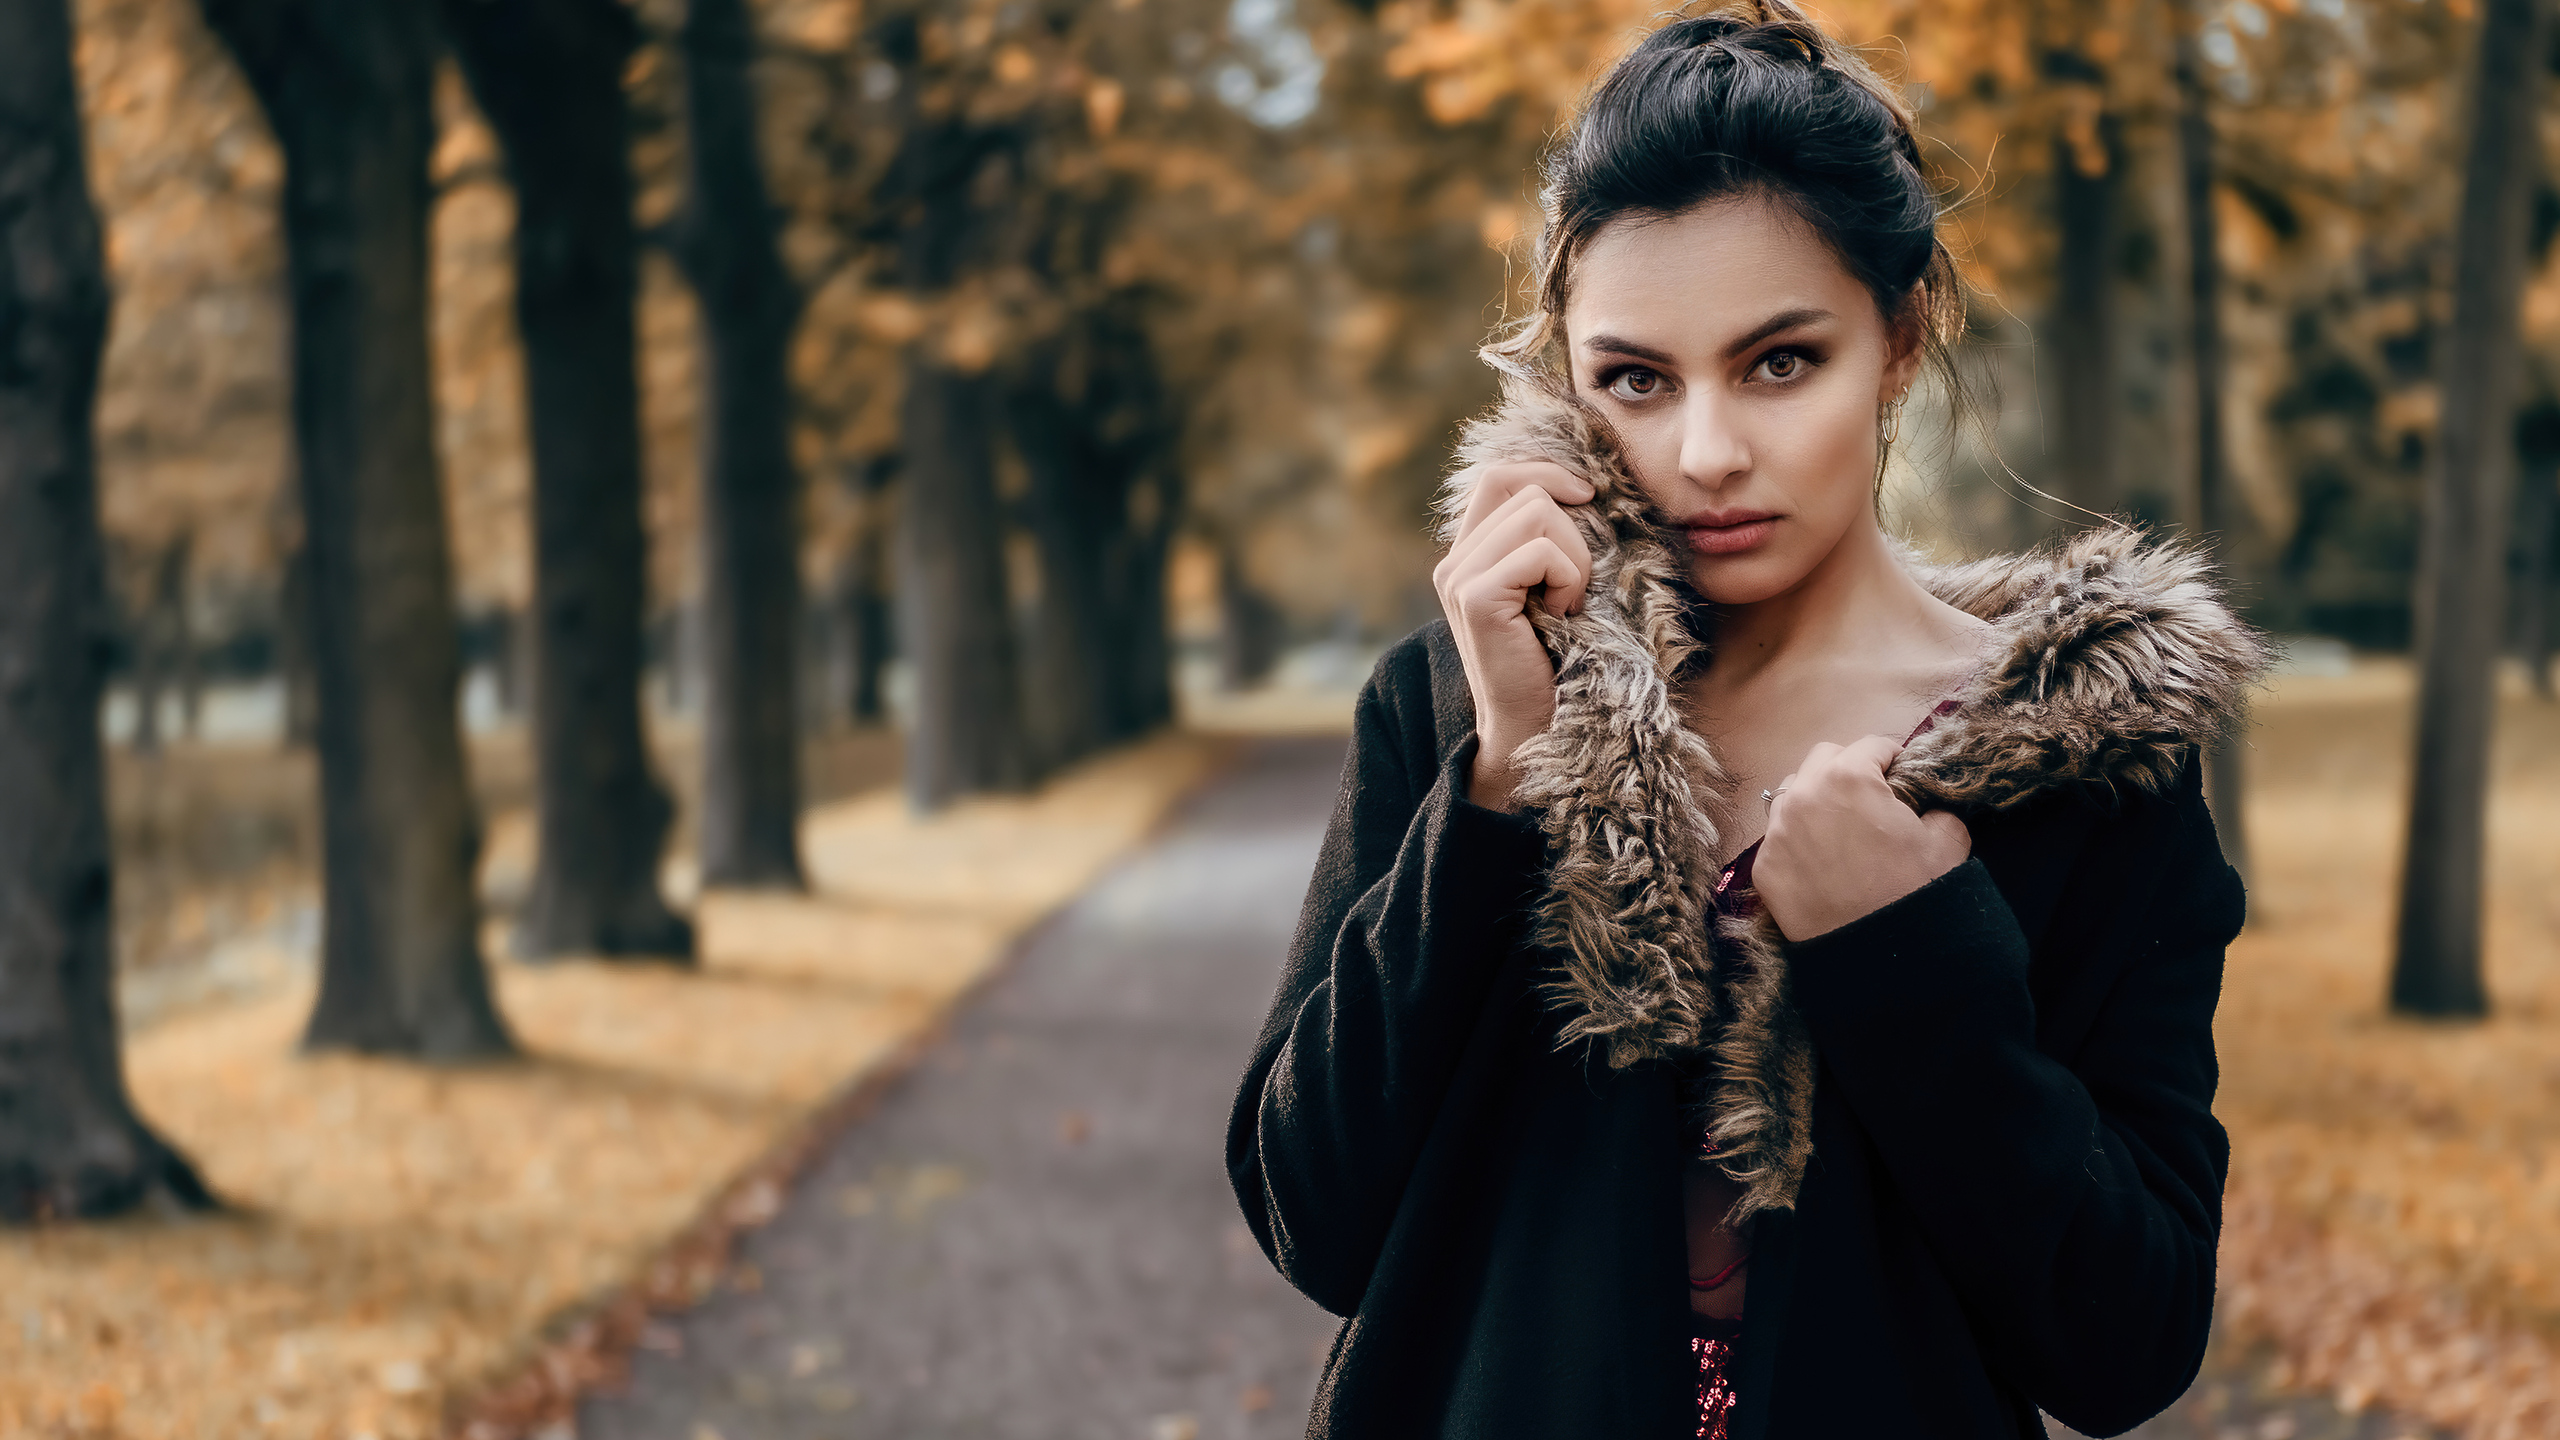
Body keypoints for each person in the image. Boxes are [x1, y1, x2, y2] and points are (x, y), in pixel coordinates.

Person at [1225, 4, 2270, 1436]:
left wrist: (1909, 953)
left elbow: (2125, 1345)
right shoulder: (1464, 696)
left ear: (1899, 342)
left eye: (1780, 361)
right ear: (1571, 384)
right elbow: (1314, 1221)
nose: (1707, 455)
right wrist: (1504, 782)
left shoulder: (2087, 761)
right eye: (1637, 380)